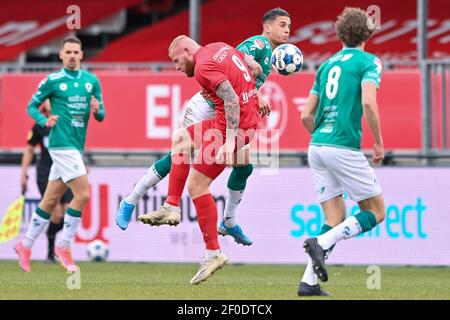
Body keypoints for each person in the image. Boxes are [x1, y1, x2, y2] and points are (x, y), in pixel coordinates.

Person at [115, 8, 291, 246]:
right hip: (207, 106)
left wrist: (255, 95)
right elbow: (237, 56)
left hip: (229, 111)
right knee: (179, 154)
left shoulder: (270, 55)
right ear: (267, 27)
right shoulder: (260, 44)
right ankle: (133, 199)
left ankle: (229, 222)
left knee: (243, 167)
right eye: (282, 24)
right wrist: (252, 76)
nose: (287, 30)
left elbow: (239, 77)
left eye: (289, 25)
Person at [139, 35, 262, 284]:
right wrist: (253, 84)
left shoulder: (203, 66)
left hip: (233, 128)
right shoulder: (220, 47)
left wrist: (229, 141)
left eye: (176, 60)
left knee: (197, 186)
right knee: (181, 139)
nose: (176, 66)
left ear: (186, 51)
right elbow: (254, 67)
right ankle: (172, 207)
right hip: (232, 123)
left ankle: (213, 254)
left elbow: (229, 97)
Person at [298, 7, 385, 296]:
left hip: (317, 145)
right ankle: (320, 244)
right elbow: (369, 103)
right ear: (368, 32)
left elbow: (306, 115)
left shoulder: (326, 65)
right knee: (375, 211)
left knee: (334, 217)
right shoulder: (368, 61)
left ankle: (309, 283)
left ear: (340, 33)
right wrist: (378, 141)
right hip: (342, 146)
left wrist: (323, 137)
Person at [14, 36, 105, 273]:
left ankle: (25, 246)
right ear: (61, 55)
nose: (72, 56)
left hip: (76, 145)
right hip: (60, 144)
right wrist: (45, 120)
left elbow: (102, 114)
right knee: (83, 194)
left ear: (82, 55)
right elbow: (31, 106)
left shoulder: (91, 81)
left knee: (50, 200)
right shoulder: (52, 81)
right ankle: (64, 246)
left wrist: (97, 111)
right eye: (68, 52)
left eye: (76, 52)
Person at [20, 100, 74, 263]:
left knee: (69, 211)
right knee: (56, 214)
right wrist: (23, 174)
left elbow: (74, 146)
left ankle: (55, 247)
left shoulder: (65, 122)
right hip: (45, 173)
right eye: (49, 99)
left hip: (65, 171)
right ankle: (50, 253)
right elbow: (29, 149)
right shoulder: (39, 126)